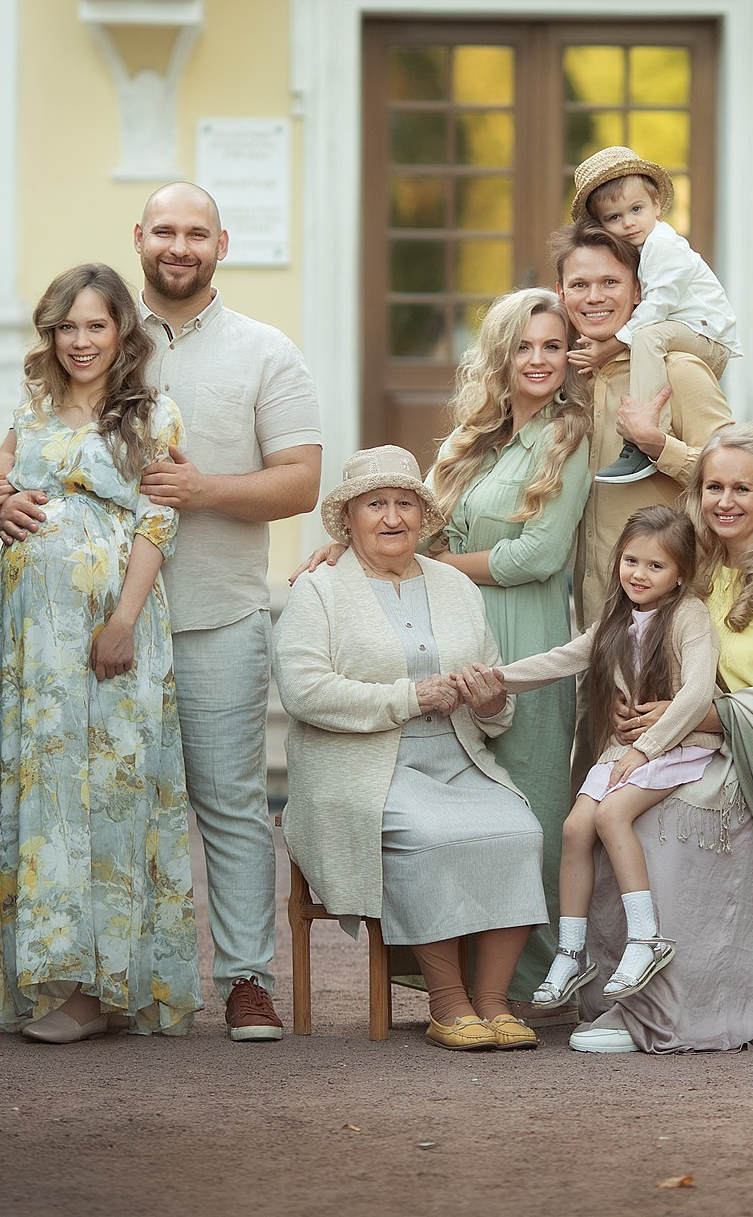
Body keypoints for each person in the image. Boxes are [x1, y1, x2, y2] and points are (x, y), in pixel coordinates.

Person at [0, 183, 321, 1043]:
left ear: (221, 243)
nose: (179, 244)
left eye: (195, 232)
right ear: (139, 237)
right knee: (102, 800)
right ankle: (90, 977)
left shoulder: (265, 351)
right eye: (164, 230)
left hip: (210, 615)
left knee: (228, 803)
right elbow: (10, 472)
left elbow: (303, 482)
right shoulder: (105, 340)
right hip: (71, 631)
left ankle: (246, 978)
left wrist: (203, 489)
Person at [290, 287, 590, 1008]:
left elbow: (533, 556)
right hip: (432, 629)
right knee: (447, 815)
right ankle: (448, 987)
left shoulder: (568, 436)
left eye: (553, 345)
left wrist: (419, 568)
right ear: (501, 355)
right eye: (525, 345)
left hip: (521, 637)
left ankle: (525, 991)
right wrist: (344, 551)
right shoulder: (473, 440)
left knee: (529, 812)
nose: (540, 359)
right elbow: (404, 517)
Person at [568, 425, 753, 1053]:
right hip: (691, 739)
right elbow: (643, 641)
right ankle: (621, 998)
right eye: (713, 487)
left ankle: (672, 1017)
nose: (725, 501)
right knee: (599, 812)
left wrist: (690, 718)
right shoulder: (695, 562)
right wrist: (636, 705)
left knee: (661, 824)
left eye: (741, 489)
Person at [0, 263, 198, 1042]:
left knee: (110, 792)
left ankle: (99, 990)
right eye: (65, 326)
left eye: (95, 325)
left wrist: (124, 619)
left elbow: (157, 523)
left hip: (111, 627)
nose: (79, 341)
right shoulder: (31, 409)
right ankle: (47, 973)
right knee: (46, 793)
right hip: (33, 642)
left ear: (122, 332)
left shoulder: (154, 415)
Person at [273, 446, 548, 1052]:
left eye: (404, 503)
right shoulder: (319, 590)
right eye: (376, 504)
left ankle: (494, 1003)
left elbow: (499, 695)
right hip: (367, 768)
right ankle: (448, 1003)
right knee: (427, 836)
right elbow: (304, 691)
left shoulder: (453, 584)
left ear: (423, 516)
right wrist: (409, 696)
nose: (392, 518)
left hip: (459, 758)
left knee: (521, 829)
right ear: (349, 520)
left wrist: (487, 702)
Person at [476, 504, 720, 1006]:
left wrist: (648, 747)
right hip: (628, 749)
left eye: (656, 566)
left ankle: (646, 937)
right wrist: (495, 680)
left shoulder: (689, 616)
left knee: (611, 815)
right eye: (632, 561)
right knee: (573, 829)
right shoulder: (613, 620)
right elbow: (558, 661)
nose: (640, 574)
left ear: (680, 575)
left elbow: (698, 693)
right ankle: (571, 953)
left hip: (679, 746)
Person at [555, 223, 733, 624]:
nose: (595, 297)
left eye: (610, 282)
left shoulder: (678, 371)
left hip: (671, 623)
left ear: (639, 292)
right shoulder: (562, 378)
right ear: (560, 293)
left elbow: (742, 481)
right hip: (593, 620)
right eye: (580, 285)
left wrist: (659, 446)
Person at [570, 146, 739, 485]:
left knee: (648, 333)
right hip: (686, 331)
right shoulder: (644, 251)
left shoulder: (664, 245)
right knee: (649, 334)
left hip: (706, 336)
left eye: (636, 210)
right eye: (614, 218)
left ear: (657, 206)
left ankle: (642, 438)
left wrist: (610, 347)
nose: (628, 222)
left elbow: (656, 307)